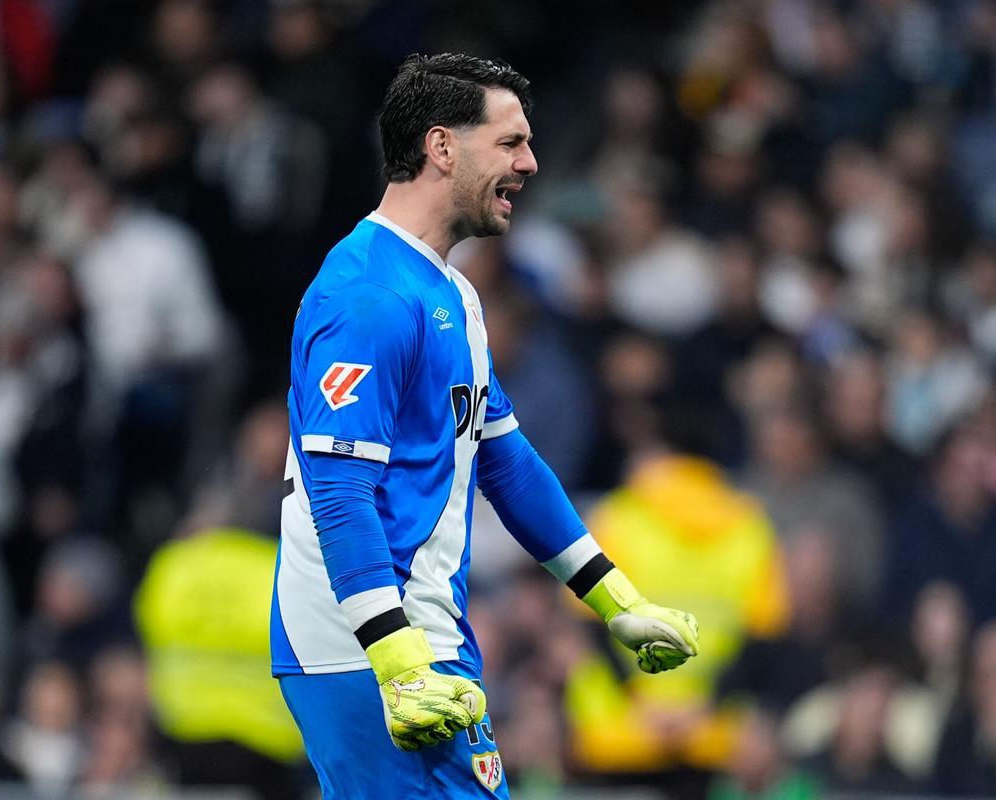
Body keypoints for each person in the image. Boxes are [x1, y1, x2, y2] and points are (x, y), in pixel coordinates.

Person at [270, 53, 700, 800]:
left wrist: (616, 601)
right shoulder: (368, 295)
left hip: (419, 641)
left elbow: (507, 463)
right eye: (510, 143)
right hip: (367, 648)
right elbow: (337, 491)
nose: (529, 164)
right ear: (442, 147)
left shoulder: (453, 293)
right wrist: (395, 658)